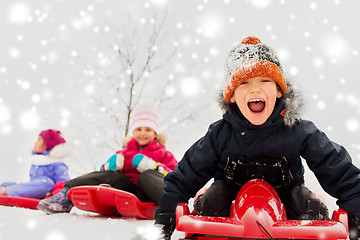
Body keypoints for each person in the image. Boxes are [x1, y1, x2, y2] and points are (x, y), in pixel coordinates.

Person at [154, 36, 360, 240]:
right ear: (232, 95)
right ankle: (204, 235)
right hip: (229, 201)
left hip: (285, 197)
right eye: (243, 82)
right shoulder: (220, 133)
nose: (255, 88)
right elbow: (186, 174)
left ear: (279, 90)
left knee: (307, 205)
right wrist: (166, 213)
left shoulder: (298, 130)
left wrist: (356, 209)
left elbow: (337, 170)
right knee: (212, 199)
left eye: (265, 80)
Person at [37, 106, 178, 214]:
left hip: (149, 193)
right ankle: (65, 195)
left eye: (148, 129)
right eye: (139, 129)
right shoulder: (124, 152)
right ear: (133, 132)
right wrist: (108, 166)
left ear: (155, 134)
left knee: (146, 176)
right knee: (114, 175)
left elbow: (175, 176)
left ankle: (173, 206)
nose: (142, 133)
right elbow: (102, 175)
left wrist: (154, 167)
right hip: (127, 192)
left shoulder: (164, 154)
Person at [0, 129, 71, 199]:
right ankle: (8, 189)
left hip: (47, 193)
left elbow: (64, 184)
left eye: (39, 140)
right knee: (6, 184)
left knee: (47, 183)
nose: (35, 143)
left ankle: (7, 191)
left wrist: (56, 196)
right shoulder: (38, 161)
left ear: (48, 145)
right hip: (33, 190)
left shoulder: (57, 164)